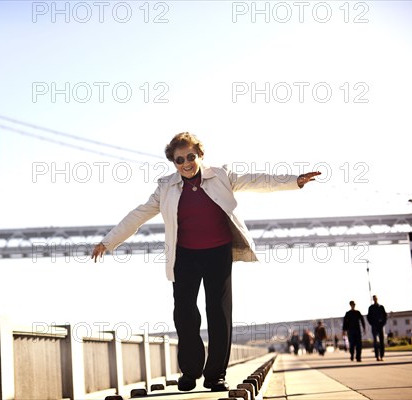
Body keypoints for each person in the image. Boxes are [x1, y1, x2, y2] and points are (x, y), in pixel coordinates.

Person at [91, 132, 321, 392]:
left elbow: (258, 180)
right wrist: (108, 242)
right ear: (174, 163)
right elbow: (138, 215)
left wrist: (294, 181)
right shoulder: (165, 187)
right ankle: (189, 372)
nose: (186, 163)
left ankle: (215, 375)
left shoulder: (221, 176)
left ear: (200, 155)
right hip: (184, 256)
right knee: (185, 313)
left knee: (219, 313)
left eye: (191, 156)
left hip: (217, 253)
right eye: (180, 160)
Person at [367, 295, 387, 361]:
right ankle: (377, 356)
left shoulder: (381, 307)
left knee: (381, 341)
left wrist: (383, 323)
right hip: (374, 326)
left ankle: (381, 355)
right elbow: (368, 317)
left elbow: (385, 316)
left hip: (380, 326)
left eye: (376, 298)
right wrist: (372, 323)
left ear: (377, 299)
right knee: (375, 341)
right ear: (373, 299)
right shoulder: (371, 308)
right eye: (374, 298)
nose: (375, 299)